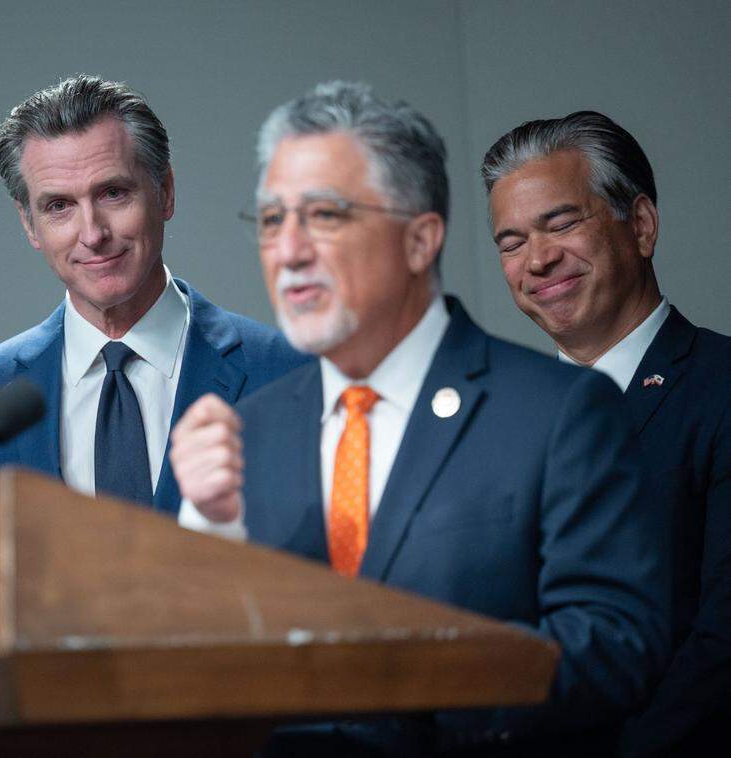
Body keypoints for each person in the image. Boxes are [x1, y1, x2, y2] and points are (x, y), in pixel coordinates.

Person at [169, 82, 668, 753]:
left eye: (324, 215)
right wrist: (208, 536)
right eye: (271, 220)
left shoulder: (559, 412)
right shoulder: (248, 432)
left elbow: (616, 647)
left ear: (419, 240)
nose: (288, 251)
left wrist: (414, 673)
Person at [0, 75, 305, 512]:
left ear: (165, 192)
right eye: (59, 206)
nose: (92, 234)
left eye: (113, 193)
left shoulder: (292, 375)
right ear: (29, 224)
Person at [482, 111, 731, 757]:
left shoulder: (721, 388)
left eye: (562, 223)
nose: (538, 259)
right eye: (511, 242)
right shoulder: (496, 422)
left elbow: (722, 646)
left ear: (641, 225)